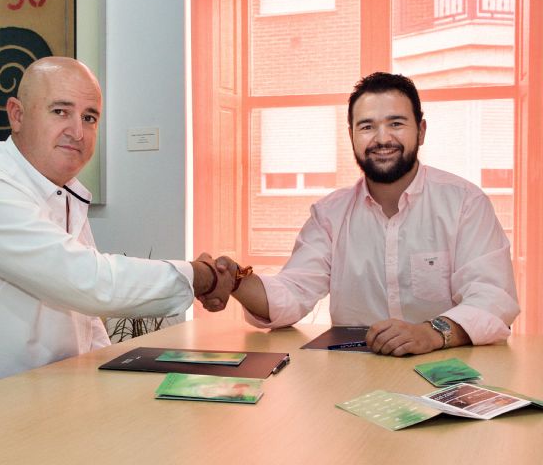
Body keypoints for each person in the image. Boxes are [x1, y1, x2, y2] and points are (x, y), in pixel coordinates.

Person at [0, 57, 233, 408]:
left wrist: (110, 384)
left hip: (29, 408)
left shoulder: (63, 191)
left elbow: (84, 320)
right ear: (17, 115)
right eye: (60, 111)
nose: (77, 131)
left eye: (89, 117)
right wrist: (202, 277)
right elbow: (88, 282)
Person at [200, 72, 519, 357]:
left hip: (449, 369)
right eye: (367, 126)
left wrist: (430, 333)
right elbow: (293, 293)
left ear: (420, 131)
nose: (382, 139)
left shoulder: (465, 202)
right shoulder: (329, 214)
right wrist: (235, 280)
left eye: (396, 123)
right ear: (351, 135)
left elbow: (492, 298)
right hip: (356, 376)